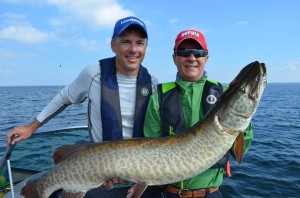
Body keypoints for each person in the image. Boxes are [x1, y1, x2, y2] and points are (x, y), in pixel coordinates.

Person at [6, 16, 160, 198]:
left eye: (139, 43)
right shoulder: (93, 73)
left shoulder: (152, 82)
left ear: (145, 47)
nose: (133, 49)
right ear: (113, 45)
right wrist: (32, 126)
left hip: (138, 175)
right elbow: (63, 99)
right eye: (126, 42)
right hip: (98, 173)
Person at [143, 30, 253, 198]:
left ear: (206, 58)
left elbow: (240, 151)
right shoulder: (158, 98)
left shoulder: (223, 92)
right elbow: (150, 152)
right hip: (170, 194)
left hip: (211, 193)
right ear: (175, 58)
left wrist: (242, 123)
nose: (192, 57)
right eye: (184, 52)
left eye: (199, 52)